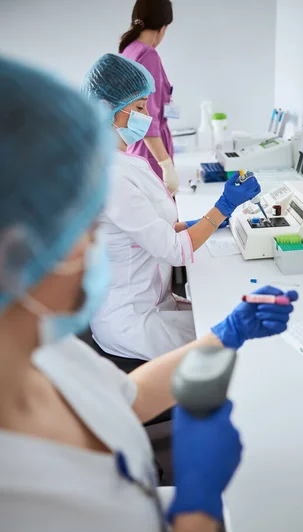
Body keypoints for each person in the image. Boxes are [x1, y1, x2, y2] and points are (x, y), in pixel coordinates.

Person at [0, 57, 298, 532]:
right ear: (14, 252)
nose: (95, 247)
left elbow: (125, 395)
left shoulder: (49, 353)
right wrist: (198, 505)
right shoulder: (15, 521)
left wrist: (225, 333)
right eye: (78, 229)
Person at [82, 53, 262, 362]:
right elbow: (173, 251)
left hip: (152, 301)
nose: (147, 116)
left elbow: (151, 229)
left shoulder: (124, 162)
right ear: (105, 110)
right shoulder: (112, 176)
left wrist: (201, 223)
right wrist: (224, 206)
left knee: (223, 315)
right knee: (233, 344)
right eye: (139, 108)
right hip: (131, 321)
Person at [119, 0, 178, 192]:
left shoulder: (128, 50)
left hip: (135, 149)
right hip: (151, 155)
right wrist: (165, 164)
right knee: (163, 219)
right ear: (163, 28)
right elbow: (145, 117)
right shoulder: (148, 55)